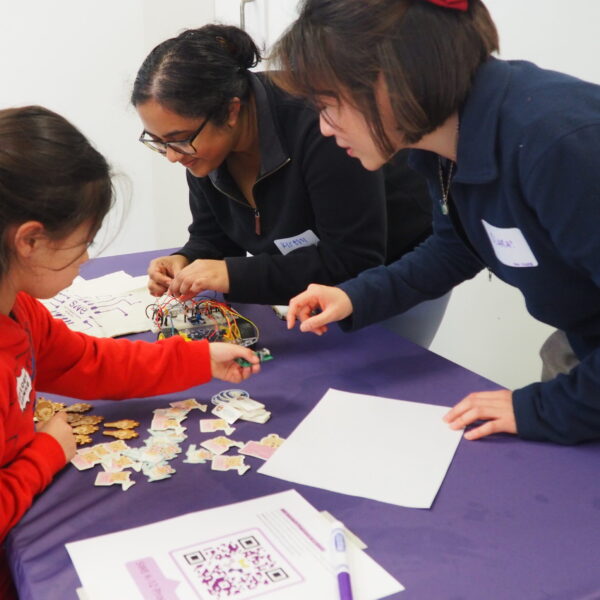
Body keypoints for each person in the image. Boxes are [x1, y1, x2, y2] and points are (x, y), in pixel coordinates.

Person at [272, 0, 600, 445]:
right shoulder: (440, 143)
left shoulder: (560, 144)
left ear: (392, 79)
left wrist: (540, 407)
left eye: (329, 105)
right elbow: (455, 246)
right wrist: (354, 296)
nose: (326, 129)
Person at [0, 106, 260, 599]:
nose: (87, 259)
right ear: (30, 240)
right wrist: (44, 454)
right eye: (82, 244)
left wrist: (197, 360)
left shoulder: (20, 308)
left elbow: (83, 362)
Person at [130, 24, 433, 306]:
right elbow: (215, 238)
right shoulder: (203, 151)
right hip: (311, 287)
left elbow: (352, 261)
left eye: (178, 139)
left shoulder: (321, 126)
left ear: (231, 111)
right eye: (158, 141)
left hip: (395, 269)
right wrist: (187, 259)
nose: (172, 155)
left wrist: (234, 274)